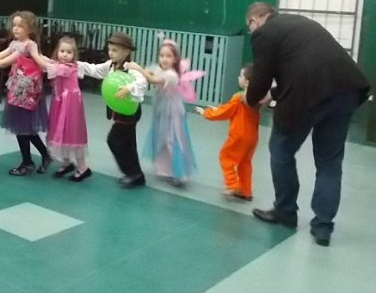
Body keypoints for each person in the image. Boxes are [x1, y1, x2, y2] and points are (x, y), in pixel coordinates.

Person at [243, 2, 370, 247]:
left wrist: (249, 100)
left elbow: (261, 77)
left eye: (250, 26)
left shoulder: (264, 33)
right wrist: (273, 94)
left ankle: (285, 211)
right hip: (346, 89)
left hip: (308, 96)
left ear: (256, 19)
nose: (252, 31)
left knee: (280, 150)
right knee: (330, 162)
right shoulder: (300, 22)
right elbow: (303, 67)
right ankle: (323, 227)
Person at [0, 11, 51, 176]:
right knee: (23, 128)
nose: (16, 29)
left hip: (27, 93)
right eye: (14, 25)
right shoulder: (15, 44)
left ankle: (29, 161)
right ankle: (39, 157)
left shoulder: (29, 45)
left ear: (30, 29)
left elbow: (4, 62)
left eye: (21, 26)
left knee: (23, 128)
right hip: (17, 91)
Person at [126, 39, 202, 187]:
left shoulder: (171, 75)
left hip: (172, 111)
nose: (164, 59)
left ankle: (180, 173)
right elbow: (151, 72)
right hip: (162, 110)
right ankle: (166, 169)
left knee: (172, 139)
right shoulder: (161, 70)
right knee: (162, 138)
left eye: (168, 56)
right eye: (161, 55)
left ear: (175, 59)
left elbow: (153, 79)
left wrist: (138, 68)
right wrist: (138, 71)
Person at [77, 32, 148, 188]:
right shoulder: (111, 65)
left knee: (114, 140)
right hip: (120, 112)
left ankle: (132, 172)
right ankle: (136, 174)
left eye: (115, 50)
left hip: (128, 113)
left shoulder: (131, 68)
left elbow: (142, 82)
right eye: (110, 49)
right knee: (128, 143)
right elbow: (95, 70)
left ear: (126, 51)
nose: (111, 53)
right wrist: (76, 64)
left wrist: (129, 88)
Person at [196, 63, 262, 201]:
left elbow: (225, 113)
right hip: (252, 137)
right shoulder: (257, 99)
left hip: (239, 135)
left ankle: (232, 185)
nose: (238, 78)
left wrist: (206, 113)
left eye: (241, 76)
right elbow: (232, 110)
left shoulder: (239, 97)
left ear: (247, 82)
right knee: (245, 162)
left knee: (225, 156)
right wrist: (218, 108)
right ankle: (246, 190)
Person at [29, 36, 91, 181]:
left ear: (74, 54)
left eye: (69, 52)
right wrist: (36, 52)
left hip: (70, 105)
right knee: (61, 132)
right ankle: (66, 162)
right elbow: (49, 61)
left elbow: (47, 66)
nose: (65, 55)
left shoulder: (67, 67)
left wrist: (34, 53)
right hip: (60, 103)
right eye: (62, 51)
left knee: (73, 133)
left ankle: (83, 167)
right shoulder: (59, 64)